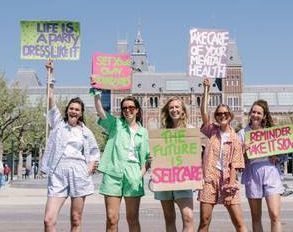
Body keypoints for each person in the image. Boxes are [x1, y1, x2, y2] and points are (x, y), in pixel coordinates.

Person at [42, 61, 100, 232]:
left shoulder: (86, 132)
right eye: (71, 108)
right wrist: (50, 75)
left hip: (78, 172)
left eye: (77, 109)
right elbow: (50, 99)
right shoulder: (58, 123)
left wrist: (88, 169)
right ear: (67, 110)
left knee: (76, 220)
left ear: (81, 113)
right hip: (59, 171)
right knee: (48, 220)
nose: (74, 111)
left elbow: (95, 153)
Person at [91, 76, 150, 232]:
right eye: (124, 108)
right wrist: (96, 92)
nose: (128, 110)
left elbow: (147, 159)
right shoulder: (116, 124)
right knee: (112, 219)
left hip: (133, 173)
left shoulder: (144, 132)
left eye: (131, 107)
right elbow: (101, 112)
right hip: (113, 172)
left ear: (137, 110)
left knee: (132, 219)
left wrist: (140, 174)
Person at [198, 78, 247, 232]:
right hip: (209, 180)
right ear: (216, 117)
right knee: (204, 222)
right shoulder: (211, 130)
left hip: (228, 180)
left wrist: (229, 189)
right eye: (219, 114)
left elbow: (235, 165)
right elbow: (203, 112)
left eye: (225, 113)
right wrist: (206, 89)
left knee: (238, 223)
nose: (222, 116)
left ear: (230, 116)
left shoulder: (236, 138)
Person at [238, 99, 287, 232]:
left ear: (264, 115)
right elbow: (237, 162)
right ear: (250, 114)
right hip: (252, 175)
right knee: (256, 217)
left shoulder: (272, 132)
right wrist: (244, 152)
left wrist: (277, 157)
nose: (255, 115)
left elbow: (285, 155)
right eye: (253, 112)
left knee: (275, 215)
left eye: (259, 113)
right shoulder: (242, 134)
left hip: (271, 173)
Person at [154, 97, 194, 232]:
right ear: (167, 110)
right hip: (165, 180)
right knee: (169, 218)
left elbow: (198, 154)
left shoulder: (190, 130)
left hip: (184, 179)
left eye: (177, 107)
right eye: (171, 107)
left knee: (188, 217)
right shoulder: (161, 132)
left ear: (182, 110)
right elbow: (156, 155)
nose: (174, 110)